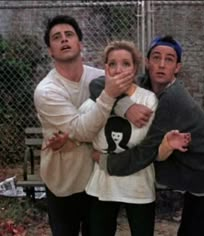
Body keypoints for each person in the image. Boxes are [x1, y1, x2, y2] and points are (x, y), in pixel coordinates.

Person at [94, 35, 204, 236]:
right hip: (198, 183)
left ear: (177, 67)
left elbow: (146, 152)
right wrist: (127, 107)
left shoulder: (173, 99)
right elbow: (98, 84)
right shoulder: (143, 85)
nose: (161, 64)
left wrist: (107, 163)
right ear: (147, 62)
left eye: (169, 59)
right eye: (156, 57)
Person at [46, 40, 191, 236]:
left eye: (125, 63)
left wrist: (168, 144)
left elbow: (152, 152)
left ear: (135, 68)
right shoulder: (97, 100)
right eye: (112, 64)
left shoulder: (148, 100)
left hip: (139, 187)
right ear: (105, 68)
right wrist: (65, 140)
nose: (118, 69)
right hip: (102, 186)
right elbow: (82, 132)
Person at [33, 15, 135, 236]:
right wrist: (107, 97)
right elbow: (83, 129)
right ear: (50, 50)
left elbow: (124, 122)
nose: (64, 40)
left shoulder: (100, 77)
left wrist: (70, 137)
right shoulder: (47, 90)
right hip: (64, 180)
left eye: (69, 35)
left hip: (99, 178)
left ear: (80, 43)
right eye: (56, 37)